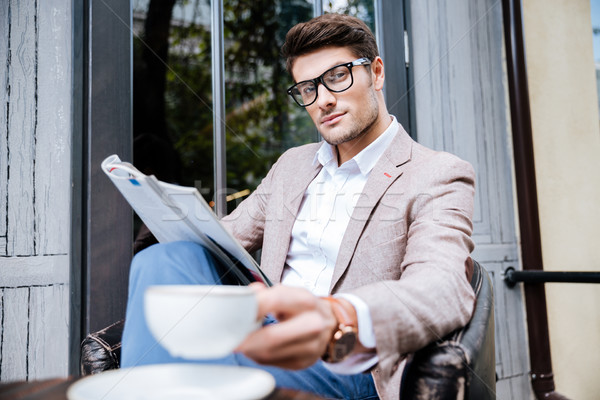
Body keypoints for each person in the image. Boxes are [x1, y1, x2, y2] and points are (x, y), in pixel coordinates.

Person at [121, 13, 476, 399]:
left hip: (343, 357)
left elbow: (443, 288)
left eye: (338, 76)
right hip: (263, 324)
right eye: (307, 88)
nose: (322, 99)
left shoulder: (436, 173)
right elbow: (223, 242)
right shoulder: (292, 165)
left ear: (376, 73)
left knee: (210, 361)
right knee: (160, 260)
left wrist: (338, 317)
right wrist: (168, 213)